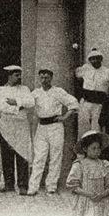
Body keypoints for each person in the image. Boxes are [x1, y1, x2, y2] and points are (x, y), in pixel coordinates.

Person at [27, 68, 79, 196]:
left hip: (56, 126)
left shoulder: (58, 91)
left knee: (55, 156)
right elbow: (25, 102)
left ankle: (51, 185)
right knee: (39, 157)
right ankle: (33, 186)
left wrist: (65, 116)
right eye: (42, 78)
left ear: (51, 78)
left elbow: (73, 103)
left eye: (47, 77)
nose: (44, 80)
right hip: (42, 127)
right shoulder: (36, 93)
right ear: (39, 78)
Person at [66, 131, 109, 216]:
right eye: (93, 148)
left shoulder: (105, 165)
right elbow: (73, 186)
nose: (97, 151)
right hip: (86, 201)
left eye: (98, 148)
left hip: (102, 201)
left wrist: (103, 194)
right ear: (85, 149)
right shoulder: (79, 165)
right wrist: (89, 194)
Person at [0, 65, 35, 195]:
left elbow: (31, 102)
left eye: (19, 75)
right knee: (6, 156)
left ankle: (23, 185)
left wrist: (16, 102)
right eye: (16, 75)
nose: (19, 77)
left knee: (22, 154)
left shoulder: (24, 89)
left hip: (21, 127)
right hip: (6, 126)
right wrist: (19, 107)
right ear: (9, 76)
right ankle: (9, 184)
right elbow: (1, 107)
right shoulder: (1, 90)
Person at [73, 48, 109, 138]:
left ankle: (95, 150)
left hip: (99, 104)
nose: (95, 60)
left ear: (101, 59)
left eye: (97, 58)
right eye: (92, 58)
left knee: (96, 129)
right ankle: (82, 151)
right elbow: (76, 75)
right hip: (86, 102)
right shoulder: (85, 69)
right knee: (83, 128)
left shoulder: (108, 72)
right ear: (90, 60)